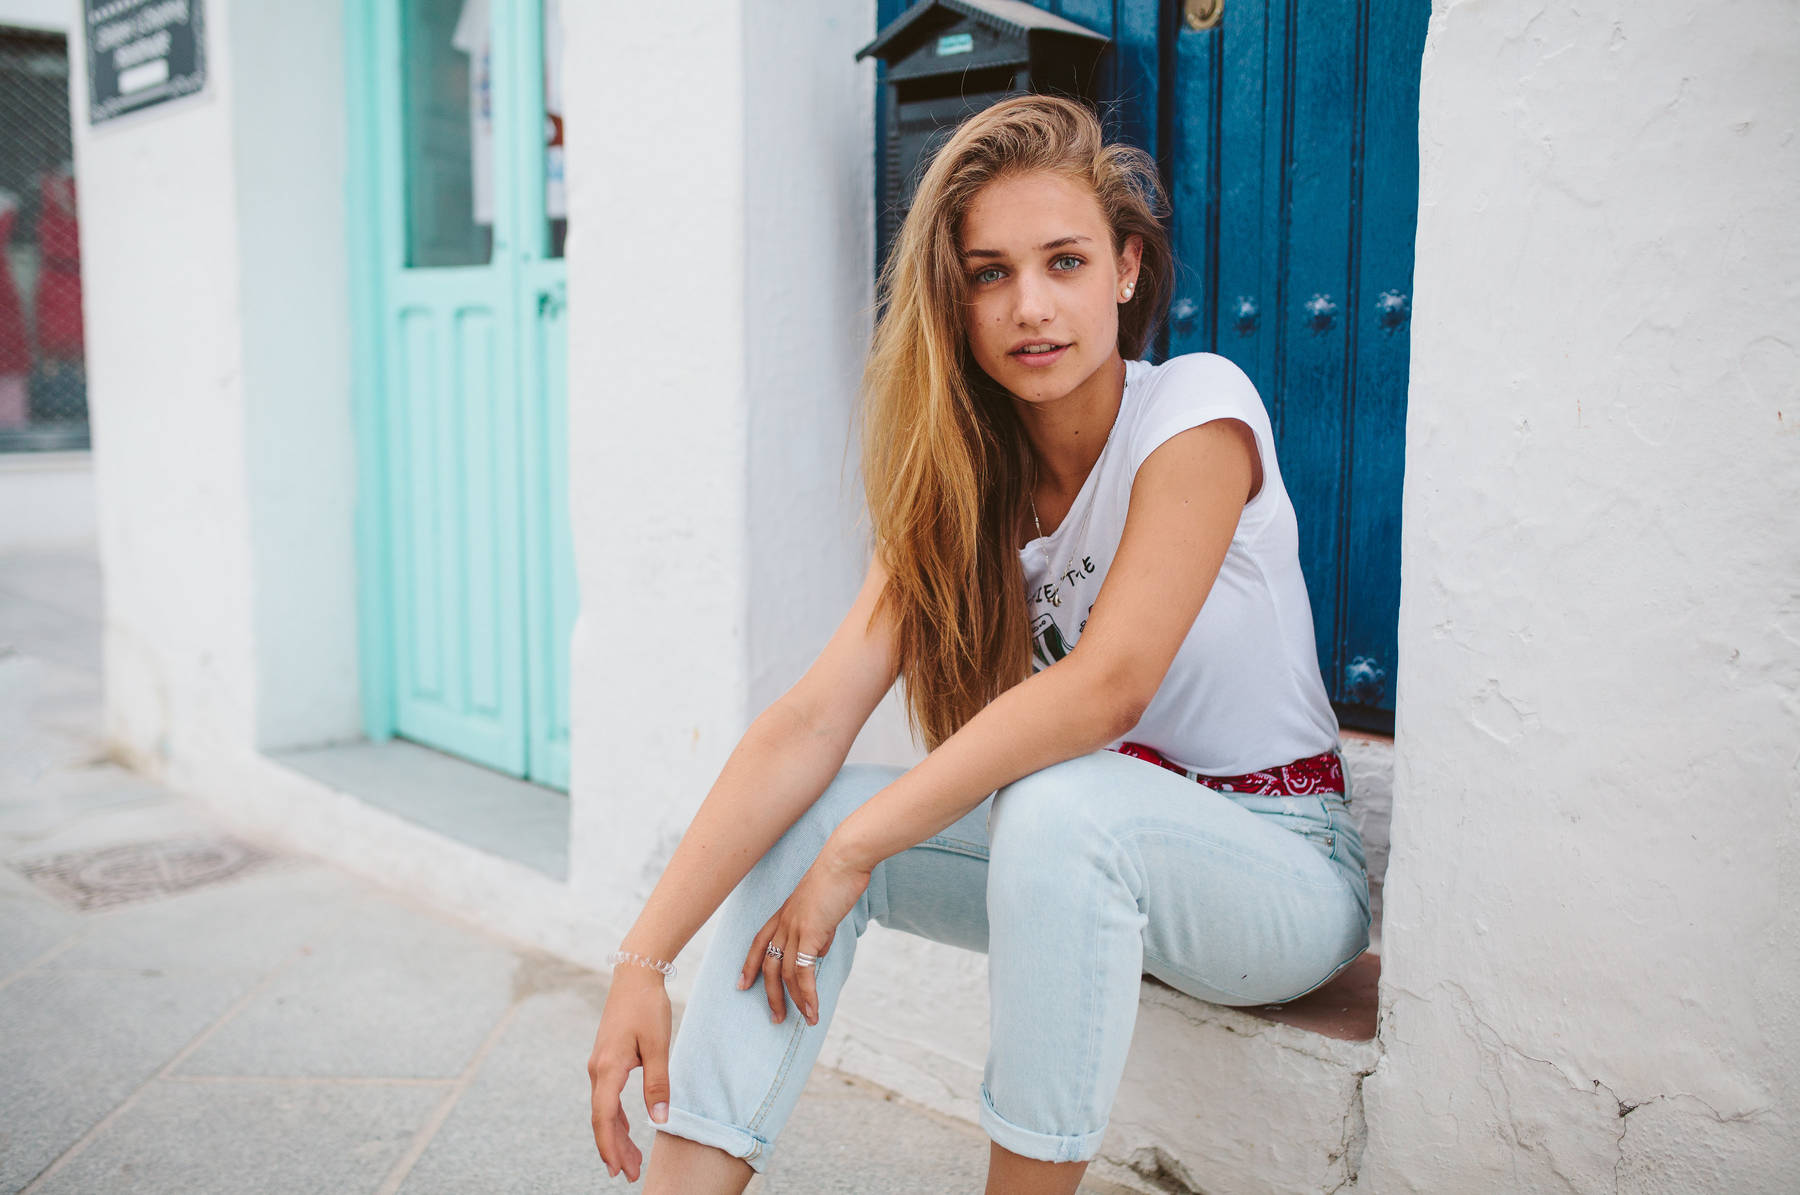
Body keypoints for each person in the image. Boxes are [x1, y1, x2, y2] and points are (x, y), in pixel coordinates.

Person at [585, 93, 1372, 1194]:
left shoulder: (1195, 411)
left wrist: (858, 852)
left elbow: (1106, 690)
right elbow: (812, 717)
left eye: (1064, 262)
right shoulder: (967, 489)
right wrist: (641, 957)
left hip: (1281, 870)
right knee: (818, 808)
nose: (1030, 306)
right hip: (1091, 862)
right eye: (990, 273)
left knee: (1047, 799)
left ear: (1127, 271)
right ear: (951, 302)